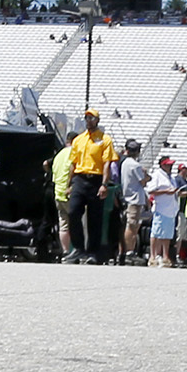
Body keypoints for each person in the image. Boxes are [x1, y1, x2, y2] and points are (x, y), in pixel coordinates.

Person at [64, 110, 120, 264]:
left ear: (97, 120)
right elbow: (73, 163)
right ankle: (78, 248)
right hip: (80, 179)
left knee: (95, 218)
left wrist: (104, 184)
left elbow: (107, 162)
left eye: (91, 118)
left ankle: (93, 252)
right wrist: (70, 184)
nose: (88, 120)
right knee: (73, 212)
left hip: (96, 180)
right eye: (87, 118)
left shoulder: (104, 139)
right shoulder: (79, 140)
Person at [118, 140, 148, 264]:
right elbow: (143, 181)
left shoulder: (125, 162)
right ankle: (129, 251)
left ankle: (126, 251)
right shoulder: (135, 165)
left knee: (131, 225)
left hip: (128, 197)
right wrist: (147, 175)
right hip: (134, 199)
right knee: (132, 226)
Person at [146, 159, 180, 266]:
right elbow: (150, 191)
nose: (170, 167)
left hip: (171, 209)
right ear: (162, 165)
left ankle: (165, 256)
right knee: (156, 232)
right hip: (161, 208)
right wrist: (165, 191)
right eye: (168, 165)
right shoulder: (157, 175)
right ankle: (153, 256)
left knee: (167, 234)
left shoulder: (171, 178)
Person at [50, 134, 74, 259]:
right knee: (76, 222)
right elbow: (72, 168)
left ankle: (65, 251)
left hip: (57, 193)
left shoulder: (59, 155)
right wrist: (70, 185)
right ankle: (77, 250)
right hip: (68, 192)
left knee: (63, 224)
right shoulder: (74, 152)